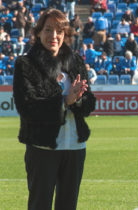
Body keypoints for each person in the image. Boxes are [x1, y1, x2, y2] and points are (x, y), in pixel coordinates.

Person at [13, 9, 96, 209]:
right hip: (43, 147)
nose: (54, 36)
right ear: (38, 32)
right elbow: (27, 107)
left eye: (59, 31)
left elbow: (89, 102)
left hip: (75, 147)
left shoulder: (75, 61)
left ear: (65, 34)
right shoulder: (25, 64)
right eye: (48, 30)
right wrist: (64, 101)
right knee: (39, 204)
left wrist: (77, 101)